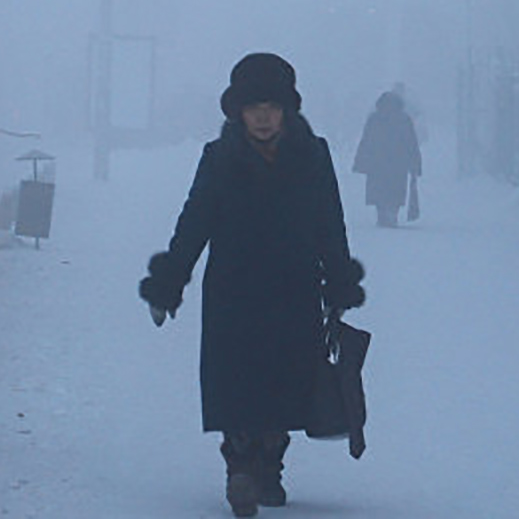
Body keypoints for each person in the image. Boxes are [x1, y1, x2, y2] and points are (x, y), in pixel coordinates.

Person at [139, 52, 365, 518]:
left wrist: (339, 283)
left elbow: (330, 223)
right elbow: (194, 222)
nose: (263, 116)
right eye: (253, 107)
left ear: (287, 110)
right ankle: (239, 470)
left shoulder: (312, 155)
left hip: (294, 289)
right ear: (237, 111)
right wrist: (170, 280)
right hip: (233, 293)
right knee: (237, 384)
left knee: (285, 384)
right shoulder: (218, 158)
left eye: (272, 106)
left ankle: (270, 469)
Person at [352, 89, 422, 227]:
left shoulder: (375, 118)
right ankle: (391, 214)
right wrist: (415, 163)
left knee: (379, 191)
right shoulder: (403, 119)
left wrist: (361, 161)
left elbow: (366, 140)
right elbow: (411, 143)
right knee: (395, 191)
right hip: (398, 164)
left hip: (378, 163)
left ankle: (382, 214)